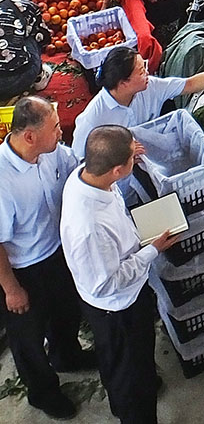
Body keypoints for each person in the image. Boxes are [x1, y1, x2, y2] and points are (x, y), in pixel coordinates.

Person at [60, 125, 181, 424]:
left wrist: (129, 154)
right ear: (116, 170)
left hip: (123, 291)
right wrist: (153, 249)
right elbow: (107, 282)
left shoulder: (86, 176)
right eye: (130, 158)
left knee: (125, 364)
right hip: (117, 308)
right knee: (132, 378)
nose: (135, 159)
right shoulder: (89, 226)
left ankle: (125, 398)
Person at [0, 97, 94, 420]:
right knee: (27, 337)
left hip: (56, 251)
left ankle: (66, 355)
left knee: (66, 311)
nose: (60, 132)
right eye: (54, 127)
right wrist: (11, 288)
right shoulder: (2, 179)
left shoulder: (50, 151)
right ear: (29, 136)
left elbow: (75, 165)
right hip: (22, 268)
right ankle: (42, 391)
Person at [71, 46, 204, 156]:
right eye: (141, 71)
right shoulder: (93, 118)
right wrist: (120, 155)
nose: (147, 73)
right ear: (124, 83)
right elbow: (81, 159)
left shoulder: (151, 87)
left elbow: (190, 84)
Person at [0, 0, 51, 100]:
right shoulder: (22, 7)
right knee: (31, 33)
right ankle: (39, 78)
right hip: (20, 78)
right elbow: (44, 38)